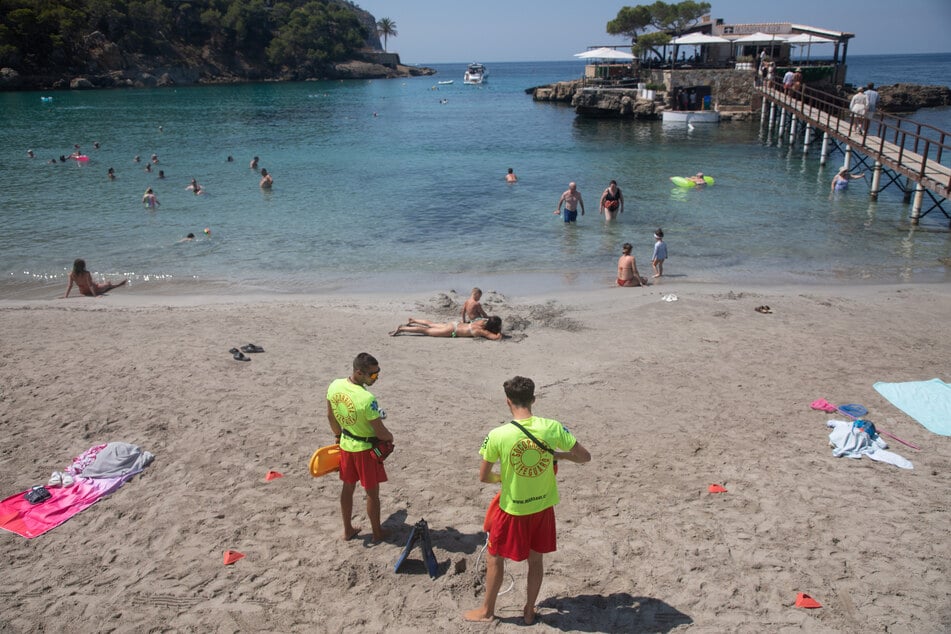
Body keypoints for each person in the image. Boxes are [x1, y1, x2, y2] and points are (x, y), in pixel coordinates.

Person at [463, 376, 591, 625]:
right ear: (533, 399)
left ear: (507, 401)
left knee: (495, 557)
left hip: (512, 508)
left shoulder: (498, 434)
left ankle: (487, 611)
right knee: (536, 559)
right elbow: (585, 457)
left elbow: (483, 476)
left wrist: (503, 477)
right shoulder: (552, 427)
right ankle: (530, 609)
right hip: (543, 507)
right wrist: (559, 457)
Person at [326, 352, 394, 542]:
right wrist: (390, 437)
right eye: (372, 374)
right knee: (372, 493)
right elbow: (380, 432)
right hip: (366, 451)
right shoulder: (367, 398)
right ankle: (377, 533)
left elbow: (330, 416)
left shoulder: (335, 385)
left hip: (347, 446)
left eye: (378, 372)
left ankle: (347, 530)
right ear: (359, 373)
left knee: (347, 488)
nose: (376, 377)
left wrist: (338, 436)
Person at [389, 316, 502, 340]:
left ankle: (414, 320)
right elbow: (497, 337)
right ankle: (402, 329)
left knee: (432, 324)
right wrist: (499, 331)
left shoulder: (482, 321)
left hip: (455, 324)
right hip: (452, 331)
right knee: (426, 331)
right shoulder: (481, 331)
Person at [62, 259, 127, 298]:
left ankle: (111, 284)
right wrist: (95, 296)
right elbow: (90, 285)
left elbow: (69, 286)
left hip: (83, 292)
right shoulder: (86, 273)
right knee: (108, 284)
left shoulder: (71, 274)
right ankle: (115, 284)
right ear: (83, 266)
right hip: (95, 289)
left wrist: (66, 296)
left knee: (99, 284)